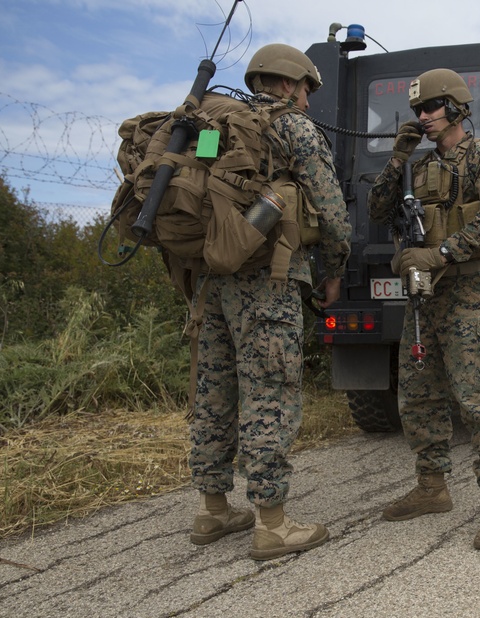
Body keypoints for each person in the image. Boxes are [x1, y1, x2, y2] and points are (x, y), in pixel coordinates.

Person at [188, 44, 351, 560]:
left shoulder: (216, 127)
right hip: (268, 280)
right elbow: (332, 212)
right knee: (270, 393)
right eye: (305, 90)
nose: (307, 101)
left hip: (212, 281)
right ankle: (272, 524)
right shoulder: (294, 129)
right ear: (286, 84)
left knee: (214, 389)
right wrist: (334, 272)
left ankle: (214, 510)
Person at [366, 68, 480, 550]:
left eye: (431, 108)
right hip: (424, 299)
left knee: (478, 396)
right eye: (417, 110)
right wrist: (397, 156)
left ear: (456, 107)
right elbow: (376, 209)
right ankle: (431, 487)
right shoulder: (416, 168)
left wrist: (440, 254)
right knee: (418, 395)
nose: (423, 117)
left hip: (470, 293)